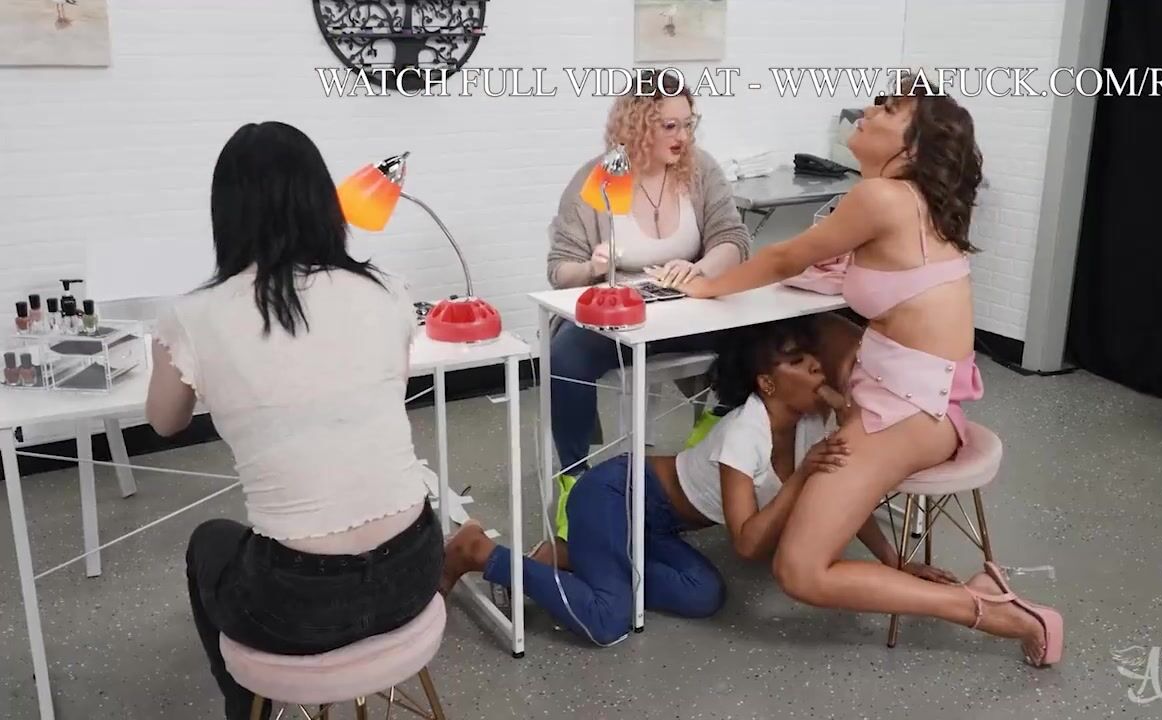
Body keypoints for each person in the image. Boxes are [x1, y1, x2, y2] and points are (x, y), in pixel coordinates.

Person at [674, 72, 1064, 667]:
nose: (872, 107)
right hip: (907, 394)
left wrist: (706, 288)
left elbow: (785, 255)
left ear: (913, 148)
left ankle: (991, 609)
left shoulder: (880, 197)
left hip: (910, 413)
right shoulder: (909, 201)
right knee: (810, 328)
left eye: (891, 106)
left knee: (800, 571)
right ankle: (763, 427)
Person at [145, 121, 444, 719]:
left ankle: (244, 708)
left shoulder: (194, 316)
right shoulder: (386, 289)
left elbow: (164, 423)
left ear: (227, 214)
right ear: (323, 201)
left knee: (209, 541)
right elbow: (389, 386)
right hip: (416, 567)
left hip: (295, 602)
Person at [438, 318, 956, 646]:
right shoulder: (745, 435)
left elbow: (844, 500)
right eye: (800, 363)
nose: (818, 369)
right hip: (617, 495)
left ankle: (574, 557)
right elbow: (747, 543)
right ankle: (481, 552)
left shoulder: (812, 426)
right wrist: (802, 477)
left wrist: (895, 562)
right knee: (607, 621)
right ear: (768, 383)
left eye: (814, 360)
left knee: (704, 595)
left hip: (661, 523)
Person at [544, 70, 752, 498]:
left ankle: (717, 426)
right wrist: (592, 268)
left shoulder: (700, 170)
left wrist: (700, 269)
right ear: (636, 125)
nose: (683, 137)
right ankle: (574, 479)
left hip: (689, 306)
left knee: (760, 333)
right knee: (565, 357)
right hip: (620, 315)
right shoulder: (596, 180)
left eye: (689, 124)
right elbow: (559, 270)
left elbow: (733, 239)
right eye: (670, 126)